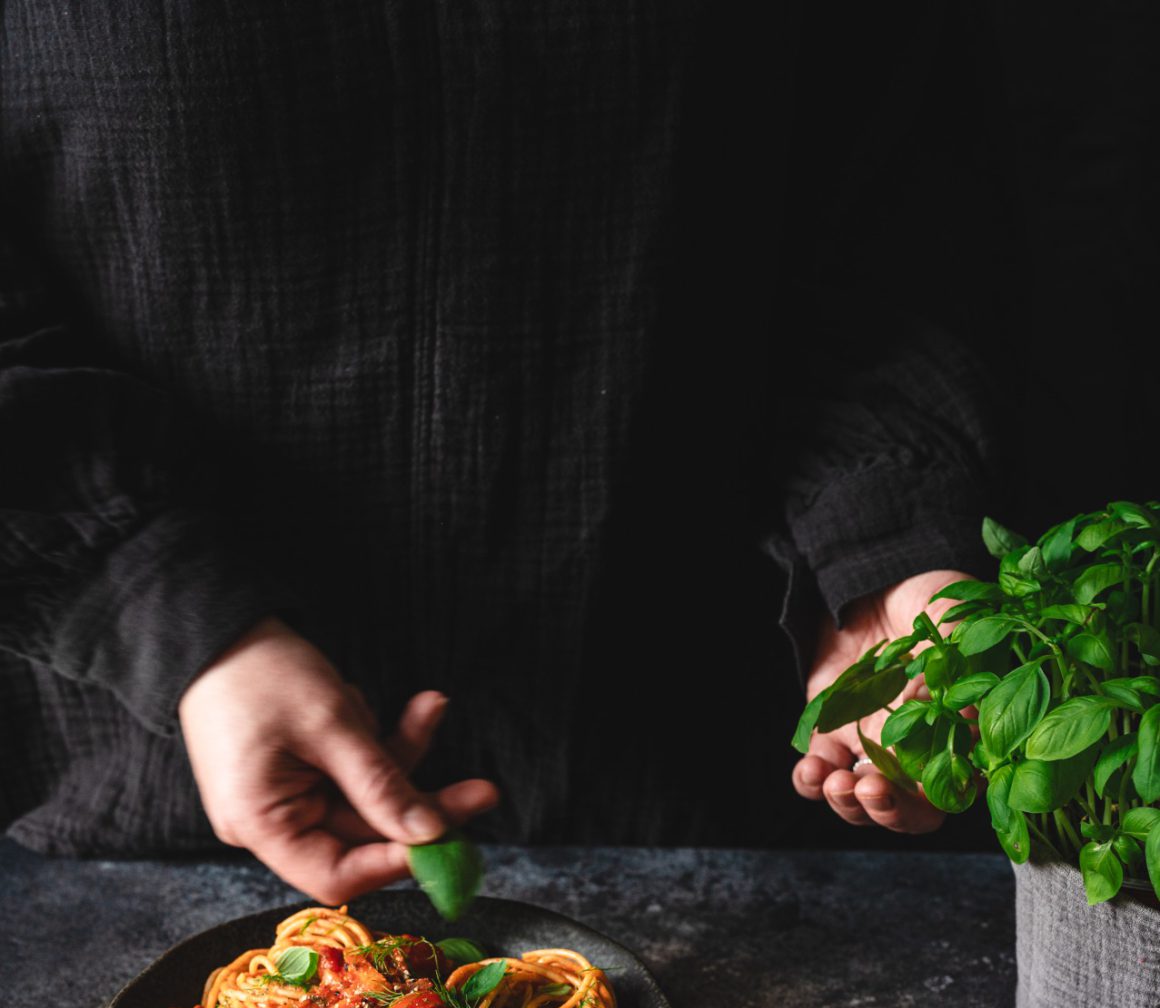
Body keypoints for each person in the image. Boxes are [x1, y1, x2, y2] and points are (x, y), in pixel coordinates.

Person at [1, 4, 1004, 899]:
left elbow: (882, 216)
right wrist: (168, 614)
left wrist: (880, 549)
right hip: (143, 817)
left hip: (734, 822)